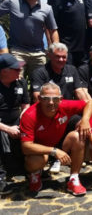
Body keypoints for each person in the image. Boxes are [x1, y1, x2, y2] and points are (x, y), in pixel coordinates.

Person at [20, 82, 92, 195]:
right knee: (35, 161)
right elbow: (26, 147)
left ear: (61, 99)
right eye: (46, 99)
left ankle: (74, 178)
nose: (51, 102)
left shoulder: (64, 105)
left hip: (61, 143)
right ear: (39, 98)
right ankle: (35, 174)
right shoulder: (29, 115)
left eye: (55, 99)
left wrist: (85, 120)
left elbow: (91, 102)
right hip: (41, 151)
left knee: (78, 136)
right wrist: (54, 151)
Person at [0, 0, 59, 79]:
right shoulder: (12, 2)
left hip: (39, 53)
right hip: (17, 51)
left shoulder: (47, 8)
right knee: (16, 83)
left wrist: (56, 49)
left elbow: (53, 30)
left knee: (40, 85)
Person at [0, 54, 29, 194]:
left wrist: (24, 119)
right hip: (1, 123)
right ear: (4, 71)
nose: (20, 71)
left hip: (16, 119)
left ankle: (30, 167)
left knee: (30, 127)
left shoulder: (21, 82)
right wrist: (7, 129)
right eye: (16, 69)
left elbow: (26, 105)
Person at [47, 0, 88, 67]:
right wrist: (52, 48)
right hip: (65, 51)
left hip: (82, 51)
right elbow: (48, 25)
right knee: (67, 80)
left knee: (82, 80)